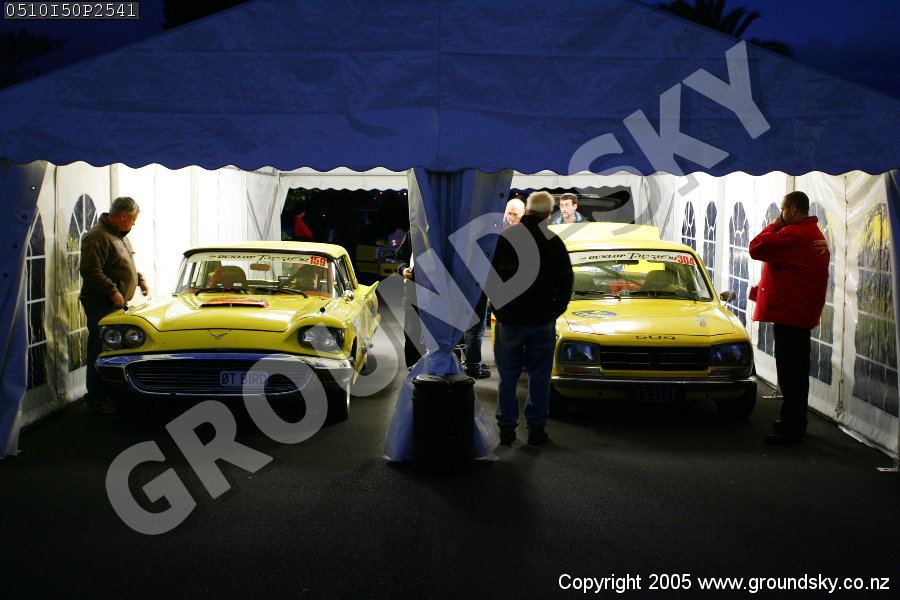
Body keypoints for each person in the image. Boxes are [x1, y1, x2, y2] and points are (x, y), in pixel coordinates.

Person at [488, 191, 573, 446]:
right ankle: (536, 430)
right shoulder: (554, 241)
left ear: (526, 211)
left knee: (507, 377)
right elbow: (566, 282)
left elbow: (489, 277)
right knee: (539, 377)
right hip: (541, 322)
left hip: (510, 320)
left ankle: (507, 430)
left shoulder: (504, 237)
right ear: (548, 214)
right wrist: (554, 311)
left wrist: (499, 309)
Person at [749, 191, 829, 445]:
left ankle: (791, 428)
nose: (780, 216)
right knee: (797, 372)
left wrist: (775, 224)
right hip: (800, 312)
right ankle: (794, 422)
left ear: (792, 210)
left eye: (782, 211)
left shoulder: (795, 234)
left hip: (790, 313)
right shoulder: (814, 234)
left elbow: (756, 247)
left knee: (790, 374)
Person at [79, 196, 149, 413]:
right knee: (99, 350)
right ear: (123, 216)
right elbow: (90, 270)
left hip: (114, 304)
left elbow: (124, 264)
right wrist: (112, 291)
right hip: (100, 304)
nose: (134, 224)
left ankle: (108, 394)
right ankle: (96, 397)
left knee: (112, 349)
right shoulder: (97, 236)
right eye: (133, 220)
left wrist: (139, 279)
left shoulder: (120, 236)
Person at [396, 232, 423, 369]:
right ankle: (413, 370)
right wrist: (403, 270)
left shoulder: (443, 231)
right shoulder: (413, 232)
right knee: (412, 333)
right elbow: (401, 258)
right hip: (413, 293)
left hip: (440, 294)